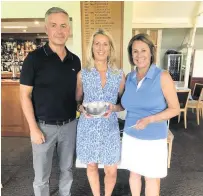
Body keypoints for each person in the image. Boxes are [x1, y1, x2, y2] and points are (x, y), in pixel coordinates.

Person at [20, 7, 81, 196]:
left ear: (69, 30)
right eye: (54, 25)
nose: (60, 30)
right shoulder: (33, 59)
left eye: (64, 26)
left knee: (67, 170)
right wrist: (33, 128)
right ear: (47, 29)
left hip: (70, 124)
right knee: (41, 176)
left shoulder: (75, 61)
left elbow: (76, 95)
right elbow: (24, 96)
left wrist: (84, 106)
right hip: (43, 127)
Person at [121, 33, 180, 196]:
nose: (139, 55)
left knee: (151, 178)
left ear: (151, 52)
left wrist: (150, 119)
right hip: (130, 135)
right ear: (130, 54)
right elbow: (127, 104)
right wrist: (112, 108)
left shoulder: (162, 76)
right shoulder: (129, 77)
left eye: (143, 50)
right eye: (135, 51)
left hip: (153, 138)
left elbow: (175, 109)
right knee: (134, 174)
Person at [76, 28, 125, 196]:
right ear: (92, 48)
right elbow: (77, 101)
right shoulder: (83, 74)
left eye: (105, 44)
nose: (101, 48)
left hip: (109, 127)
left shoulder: (119, 75)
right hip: (88, 126)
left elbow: (122, 104)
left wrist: (114, 108)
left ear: (110, 48)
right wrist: (81, 108)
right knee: (91, 165)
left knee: (111, 169)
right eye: (97, 44)